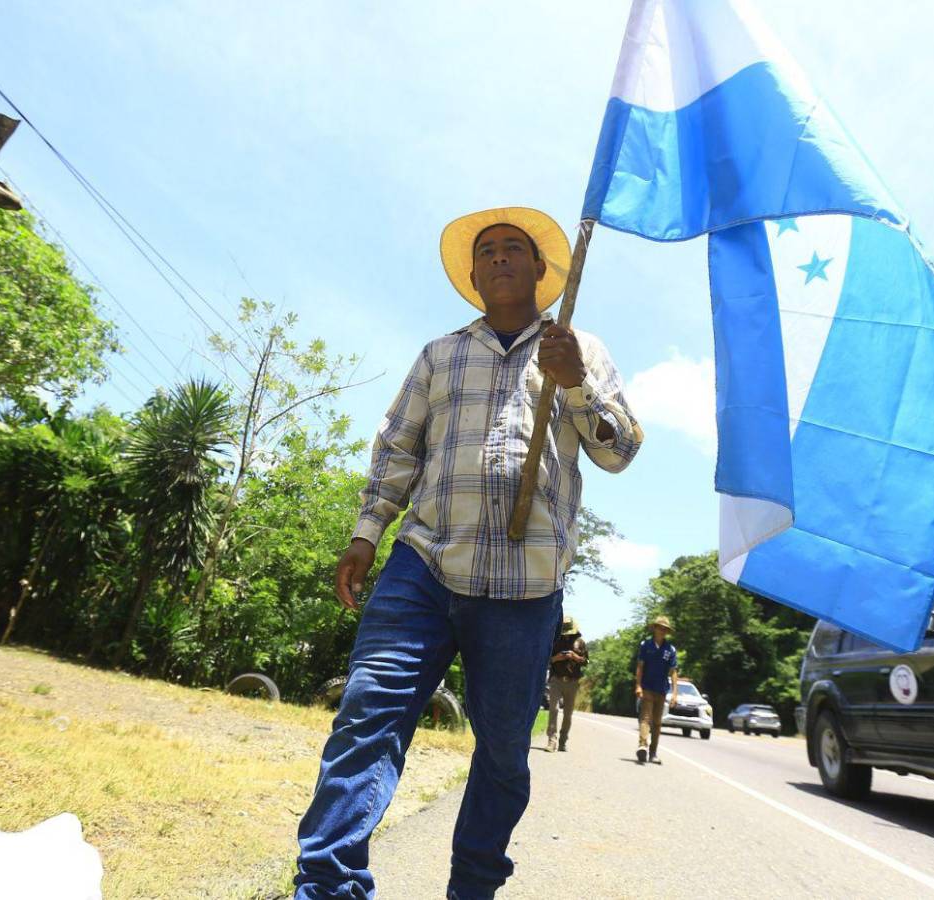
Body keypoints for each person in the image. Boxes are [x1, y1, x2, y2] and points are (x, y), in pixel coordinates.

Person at [291, 206, 643, 900]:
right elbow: (397, 449)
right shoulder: (441, 353)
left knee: (505, 754)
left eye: (517, 248)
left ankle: (473, 888)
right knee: (369, 715)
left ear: (542, 272)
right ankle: (328, 887)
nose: (502, 257)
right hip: (422, 568)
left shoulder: (578, 349)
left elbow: (620, 450)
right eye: (489, 251)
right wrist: (367, 533)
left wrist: (575, 382)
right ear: (476, 275)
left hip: (527, 586)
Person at [634, 615, 678, 765]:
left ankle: (653, 752)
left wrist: (675, 693)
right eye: (660, 627)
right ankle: (642, 745)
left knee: (657, 723)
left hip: (662, 689)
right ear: (655, 628)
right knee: (646, 718)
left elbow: (673, 672)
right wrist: (638, 685)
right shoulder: (645, 645)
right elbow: (640, 666)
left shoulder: (670, 649)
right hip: (647, 688)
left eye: (665, 629)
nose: (662, 630)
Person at [545, 613, 588, 752]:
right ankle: (552, 740)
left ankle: (563, 740)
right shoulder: (555, 639)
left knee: (568, 714)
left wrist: (575, 657)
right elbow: (547, 660)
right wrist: (557, 658)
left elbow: (586, 661)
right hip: (556, 680)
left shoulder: (580, 641)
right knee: (554, 709)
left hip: (572, 682)